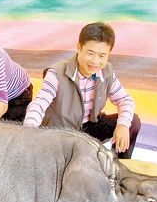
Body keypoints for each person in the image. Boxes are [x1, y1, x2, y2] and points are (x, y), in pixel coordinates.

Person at [23, 22, 141, 159]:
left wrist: (122, 125)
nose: (95, 61)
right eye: (90, 53)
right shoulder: (56, 73)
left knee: (132, 121)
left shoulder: (106, 72)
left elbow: (125, 100)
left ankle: (117, 168)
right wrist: (29, 133)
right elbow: (39, 104)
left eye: (102, 55)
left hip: (89, 127)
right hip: (61, 132)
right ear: (79, 47)